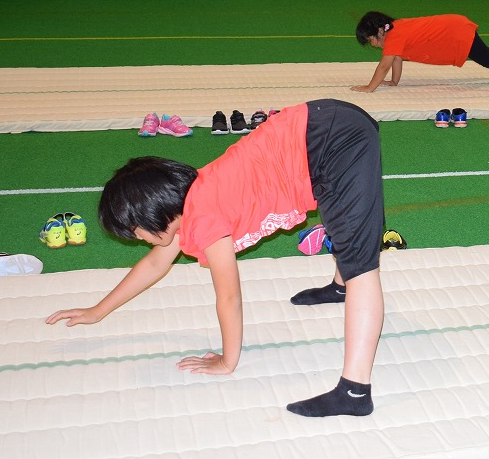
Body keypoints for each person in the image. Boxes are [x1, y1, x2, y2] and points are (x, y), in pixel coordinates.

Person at [46, 100, 387, 418]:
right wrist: (97, 311)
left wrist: (227, 361)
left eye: (137, 233)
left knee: (361, 261)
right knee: (346, 225)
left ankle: (355, 392)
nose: (141, 241)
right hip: (317, 130)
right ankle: (341, 288)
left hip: (336, 138)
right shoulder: (187, 200)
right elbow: (154, 263)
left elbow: (229, 297)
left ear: (154, 214)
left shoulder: (204, 216)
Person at [353, 11, 489, 96]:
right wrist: (394, 82)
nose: (374, 45)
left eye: (371, 41)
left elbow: (384, 65)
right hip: (454, 26)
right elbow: (396, 60)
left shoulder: (393, 37)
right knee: (485, 53)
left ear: (379, 31)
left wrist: (370, 87)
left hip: (455, 31)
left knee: (485, 58)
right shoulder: (395, 29)